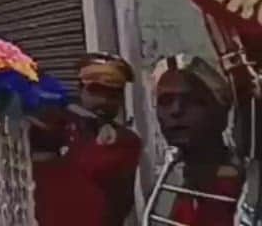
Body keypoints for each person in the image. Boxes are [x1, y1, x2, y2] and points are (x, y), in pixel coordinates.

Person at [31, 53, 142, 226]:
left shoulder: (126, 142)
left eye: (113, 95)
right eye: (95, 91)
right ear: (80, 90)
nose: (104, 101)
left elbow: (92, 169)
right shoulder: (58, 127)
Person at [148, 54, 243, 226]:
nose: (176, 111)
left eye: (193, 101)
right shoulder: (175, 187)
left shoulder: (242, 190)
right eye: (166, 101)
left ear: (221, 113)